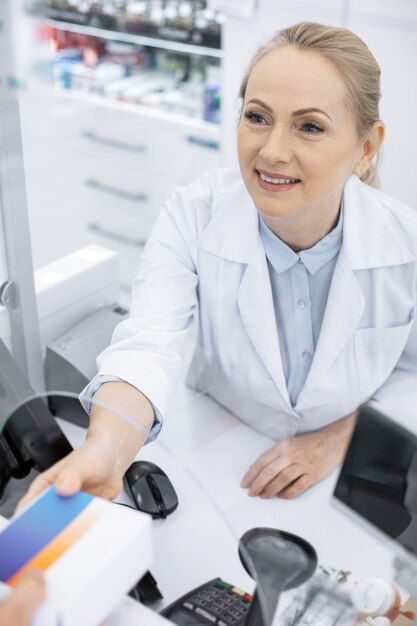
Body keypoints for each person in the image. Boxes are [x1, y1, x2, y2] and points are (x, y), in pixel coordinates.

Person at [19, 22, 417, 509]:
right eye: (257, 117)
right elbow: (147, 345)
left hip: (351, 474)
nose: (271, 151)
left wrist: (338, 438)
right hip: (222, 454)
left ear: (366, 148)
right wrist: (104, 449)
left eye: (309, 126)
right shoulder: (194, 215)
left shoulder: (406, 245)